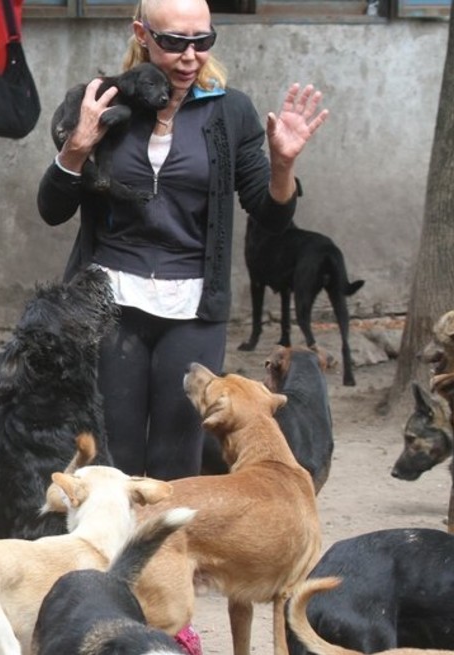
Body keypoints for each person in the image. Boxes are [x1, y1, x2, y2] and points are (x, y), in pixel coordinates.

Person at [36, 0, 328, 483]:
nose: (190, 56)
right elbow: (51, 209)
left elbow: (272, 215)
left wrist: (283, 165)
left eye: (202, 40)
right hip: (109, 302)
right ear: (142, 34)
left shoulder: (230, 112)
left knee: (179, 457)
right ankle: (109, 558)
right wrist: (76, 148)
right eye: (174, 42)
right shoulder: (102, 103)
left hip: (193, 305)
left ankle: (167, 559)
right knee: (115, 457)